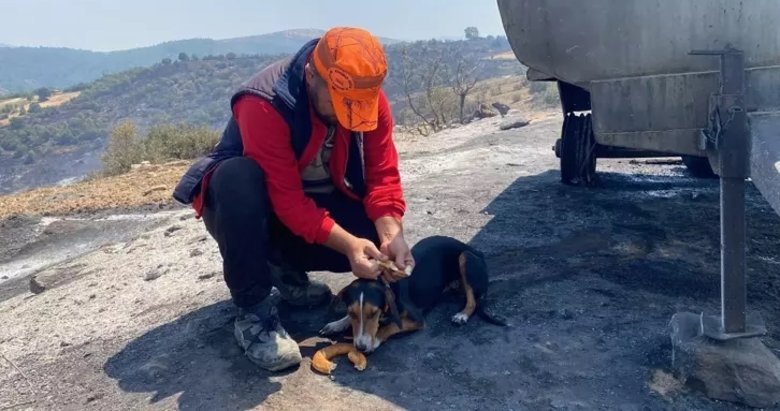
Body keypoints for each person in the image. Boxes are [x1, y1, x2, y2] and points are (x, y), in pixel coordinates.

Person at [172, 26, 414, 372]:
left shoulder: (367, 99)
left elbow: (382, 176)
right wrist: (347, 245)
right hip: (252, 212)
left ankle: (282, 270)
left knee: (377, 239)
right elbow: (286, 201)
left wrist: (392, 235)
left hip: (305, 204)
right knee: (237, 177)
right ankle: (254, 314)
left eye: (356, 106)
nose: (348, 114)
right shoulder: (265, 102)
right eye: (339, 103)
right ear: (312, 75)